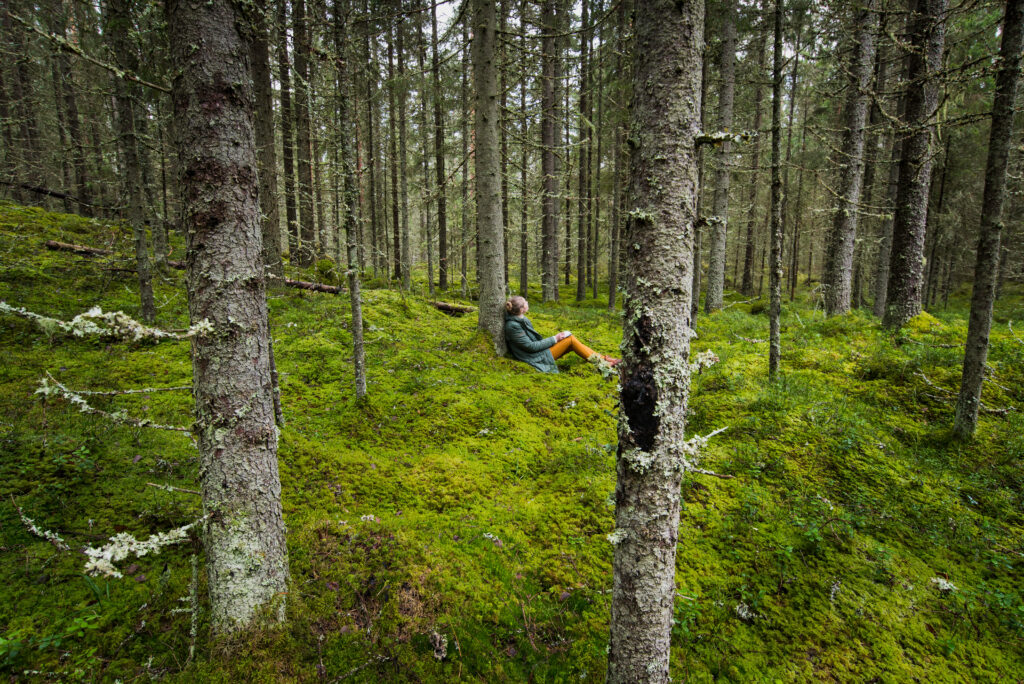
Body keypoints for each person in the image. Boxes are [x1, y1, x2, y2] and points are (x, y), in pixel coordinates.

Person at [503, 296, 620, 374]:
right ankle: (604, 364)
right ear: (522, 309)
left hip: (537, 353)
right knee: (570, 340)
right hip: (534, 358)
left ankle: (603, 359)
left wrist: (557, 338)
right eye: (525, 303)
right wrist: (555, 338)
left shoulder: (521, 319)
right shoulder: (512, 326)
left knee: (570, 341)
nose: (528, 303)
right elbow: (530, 347)